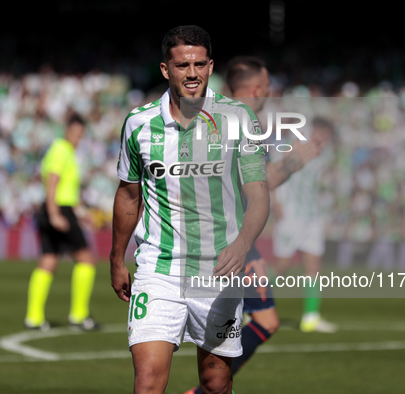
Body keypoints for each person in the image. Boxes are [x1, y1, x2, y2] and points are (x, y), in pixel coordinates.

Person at [110, 26, 270, 394]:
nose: (193, 73)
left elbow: (258, 193)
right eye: (183, 65)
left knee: (216, 382)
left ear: (211, 66)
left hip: (218, 270)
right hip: (157, 268)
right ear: (166, 69)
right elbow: (128, 195)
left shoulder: (239, 118)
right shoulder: (139, 124)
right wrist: (118, 258)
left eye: (200, 64)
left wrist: (244, 242)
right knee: (148, 382)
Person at [186, 56, 323, 393]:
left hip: (227, 234)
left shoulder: (216, 117)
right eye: (268, 87)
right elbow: (257, 183)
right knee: (246, 321)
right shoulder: (240, 122)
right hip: (228, 236)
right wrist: (294, 161)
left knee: (260, 320)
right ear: (258, 88)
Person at [24, 113, 99, 331]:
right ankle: (79, 314)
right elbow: (53, 181)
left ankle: (34, 317)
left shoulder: (63, 151)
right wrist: (55, 213)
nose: (77, 138)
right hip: (58, 209)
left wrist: (79, 210)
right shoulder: (61, 150)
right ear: (67, 131)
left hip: (56, 208)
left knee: (49, 260)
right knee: (86, 259)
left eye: (80, 135)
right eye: (75, 133)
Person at [272, 116, 337, 333]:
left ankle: (311, 317)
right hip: (291, 215)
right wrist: (276, 201)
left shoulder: (321, 154)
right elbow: (276, 170)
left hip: (311, 217)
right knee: (281, 266)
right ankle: (245, 305)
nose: (326, 138)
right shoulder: (296, 145)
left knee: (314, 266)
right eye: (323, 132)